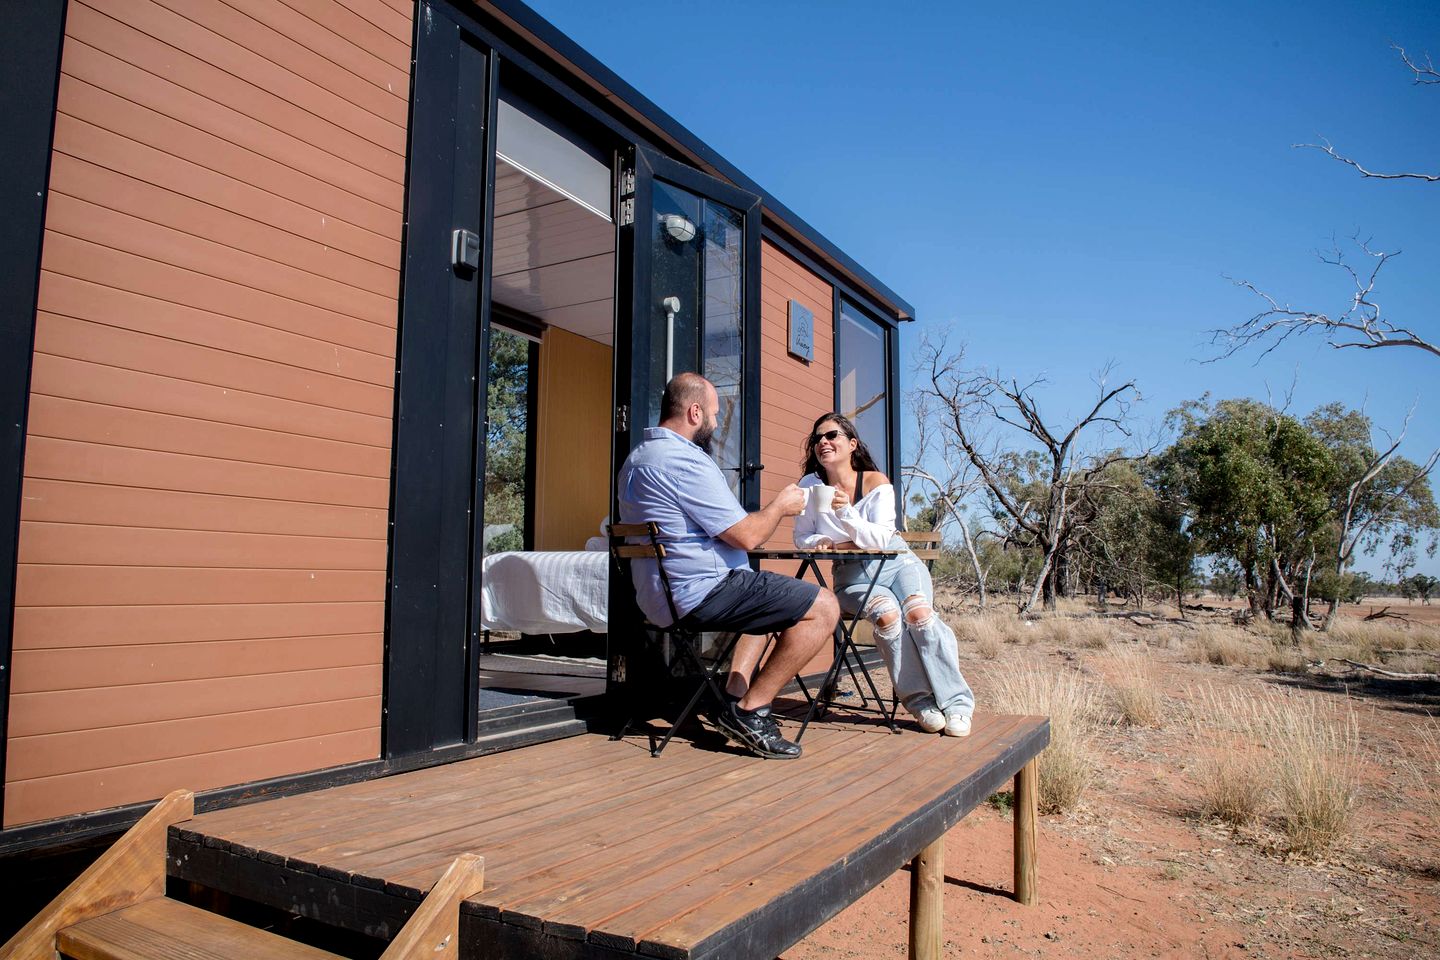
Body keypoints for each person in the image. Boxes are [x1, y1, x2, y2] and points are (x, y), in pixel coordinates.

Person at [617, 373, 840, 759]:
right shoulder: (686, 461)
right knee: (824, 607)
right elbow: (748, 537)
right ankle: (751, 711)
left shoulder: (636, 459)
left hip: (658, 598)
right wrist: (780, 507)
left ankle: (733, 698)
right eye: (714, 414)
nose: (717, 422)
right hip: (699, 593)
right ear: (695, 412)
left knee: (766, 597)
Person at [792, 412, 975, 737]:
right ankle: (920, 702)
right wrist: (820, 540)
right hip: (852, 577)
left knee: (918, 613)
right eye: (818, 438)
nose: (823, 442)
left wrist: (845, 513)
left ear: (852, 444)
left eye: (831, 435)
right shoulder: (810, 485)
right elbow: (801, 536)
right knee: (888, 616)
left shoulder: (875, 482)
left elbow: (880, 539)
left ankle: (957, 703)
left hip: (897, 563)